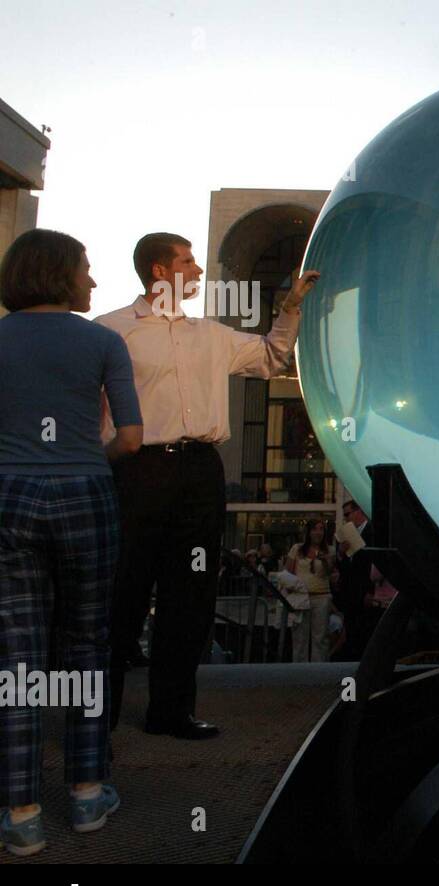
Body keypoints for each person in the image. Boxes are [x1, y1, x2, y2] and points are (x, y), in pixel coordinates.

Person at [97, 232, 319, 737]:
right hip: (136, 472)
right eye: (187, 261)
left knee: (190, 595)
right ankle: (98, 719)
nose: (197, 270)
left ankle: (170, 712)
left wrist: (289, 307)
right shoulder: (110, 332)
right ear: (158, 271)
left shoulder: (211, 335)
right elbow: (94, 410)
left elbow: (270, 357)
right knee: (123, 592)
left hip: (200, 472)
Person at [0, 229, 143, 856]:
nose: (93, 280)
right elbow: (132, 439)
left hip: (7, 497)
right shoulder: (104, 343)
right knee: (88, 644)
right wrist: (88, 457)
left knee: (17, 659)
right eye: (86, 269)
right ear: (60, 274)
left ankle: (21, 812)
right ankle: (87, 793)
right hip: (86, 494)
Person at [286, 519, 336, 663]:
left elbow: (330, 573)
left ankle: (318, 670)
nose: (318, 532)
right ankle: (299, 672)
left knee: (320, 638)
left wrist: (326, 560)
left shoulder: (330, 549)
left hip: (321, 597)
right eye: (315, 529)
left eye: (321, 529)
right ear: (309, 532)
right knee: (299, 638)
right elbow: (288, 571)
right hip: (301, 598)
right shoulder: (297, 549)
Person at [334, 499, 376, 661]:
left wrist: (371, 590)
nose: (346, 519)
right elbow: (346, 568)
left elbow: (373, 564)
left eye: (348, 515)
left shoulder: (371, 532)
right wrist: (341, 554)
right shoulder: (349, 535)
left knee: (364, 631)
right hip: (351, 592)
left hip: (364, 590)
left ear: (359, 512)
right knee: (352, 631)